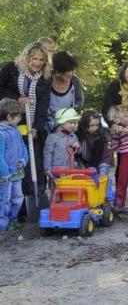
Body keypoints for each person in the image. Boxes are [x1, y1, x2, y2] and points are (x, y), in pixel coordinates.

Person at [0, 42, 51, 196]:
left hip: (31, 124)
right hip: (9, 122)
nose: (37, 63)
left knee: (31, 162)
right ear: (26, 57)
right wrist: (18, 98)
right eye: (34, 59)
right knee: (11, 161)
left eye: (41, 60)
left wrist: (37, 127)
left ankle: (31, 198)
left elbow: (43, 103)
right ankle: (10, 201)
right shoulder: (11, 69)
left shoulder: (45, 77)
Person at [39, 51, 83, 135]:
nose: (70, 74)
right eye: (67, 71)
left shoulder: (75, 81)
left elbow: (79, 100)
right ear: (58, 70)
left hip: (68, 128)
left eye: (72, 70)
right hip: (48, 127)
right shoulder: (47, 80)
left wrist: (71, 110)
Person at [0, 98, 28, 231]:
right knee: (5, 199)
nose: (20, 119)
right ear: (9, 116)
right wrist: (5, 173)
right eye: (18, 116)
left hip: (17, 174)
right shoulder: (1, 134)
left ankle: (13, 219)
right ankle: (3, 223)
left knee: (18, 197)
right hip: (5, 176)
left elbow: (23, 147)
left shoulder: (16, 130)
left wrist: (23, 160)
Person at [43, 108, 81, 180]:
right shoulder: (52, 137)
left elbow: (78, 152)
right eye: (70, 123)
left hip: (70, 170)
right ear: (61, 123)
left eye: (75, 123)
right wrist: (47, 169)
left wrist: (78, 147)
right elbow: (47, 153)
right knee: (56, 190)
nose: (73, 125)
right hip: (57, 170)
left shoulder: (74, 136)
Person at [77, 110, 112, 175]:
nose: (95, 128)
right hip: (88, 161)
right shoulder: (81, 135)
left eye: (97, 125)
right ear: (85, 125)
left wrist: (91, 169)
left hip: (102, 161)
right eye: (92, 125)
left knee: (101, 178)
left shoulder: (99, 138)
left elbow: (96, 158)